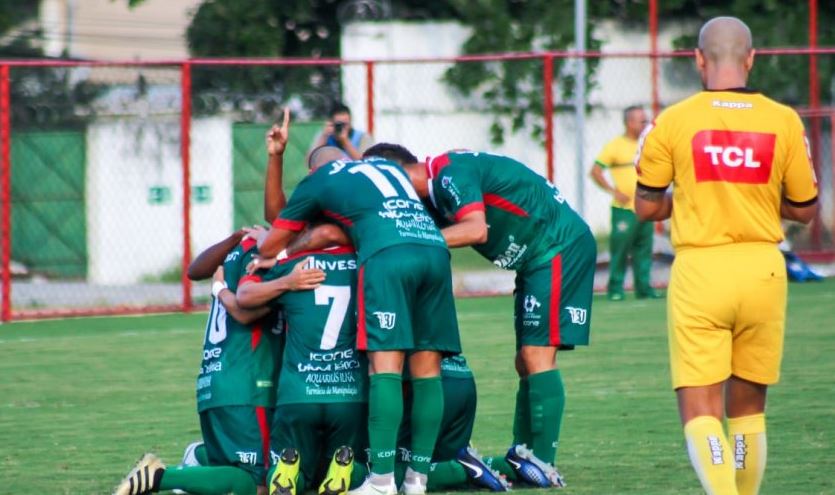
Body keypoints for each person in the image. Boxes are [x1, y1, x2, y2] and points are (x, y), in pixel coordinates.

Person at [633, 16, 818, 495]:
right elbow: (804, 208)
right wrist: (750, 191)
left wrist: (696, 192)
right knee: (749, 411)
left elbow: (646, 206)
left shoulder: (672, 121)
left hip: (701, 271)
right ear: (751, 59)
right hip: (763, 270)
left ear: (698, 59)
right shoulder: (784, 120)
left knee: (701, 413)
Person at [363, 144, 597, 487]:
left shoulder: (448, 175)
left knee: (537, 355)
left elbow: (476, 229)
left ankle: (543, 462)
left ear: (395, 173)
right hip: (536, 259)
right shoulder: (432, 193)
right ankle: (524, 453)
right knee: (525, 360)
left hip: (558, 246)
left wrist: (416, 241)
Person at [255, 148, 461, 495]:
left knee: (385, 368)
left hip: (388, 256)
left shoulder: (319, 180)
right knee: (428, 371)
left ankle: (381, 481)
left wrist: (277, 254)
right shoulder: (382, 167)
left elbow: (276, 242)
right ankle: (416, 481)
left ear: (311, 171)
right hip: (435, 251)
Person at [113, 229, 322, 495]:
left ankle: (202, 457)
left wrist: (233, 242)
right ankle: (160, 477)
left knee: (241, 473)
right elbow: (245, 311)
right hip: (248, 384)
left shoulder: (244, 249)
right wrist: (226, 288)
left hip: (216, 380)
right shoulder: (271, 258)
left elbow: (195, 270)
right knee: (260, 484)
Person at [237, 245, 367, 495]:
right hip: (350, 394)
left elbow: (246, 298)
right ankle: (344, 470)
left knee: (290, 468)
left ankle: (287, 473)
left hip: (299, 393)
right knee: (365, 467)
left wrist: (282, 274)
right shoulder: (363, 260)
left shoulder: (294, 265)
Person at [590, 105, 659, 300]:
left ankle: (644, 289)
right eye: (642, 121)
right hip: (623, 210)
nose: (646, 124)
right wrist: (614, 191)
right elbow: (596, 171)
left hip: (646, 207)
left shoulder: (648, 144)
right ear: (629, 123)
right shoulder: (615, 146)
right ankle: (615, 290)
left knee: (644, 251)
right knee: (619, 251)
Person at [310, 103, 374, 160]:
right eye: (338, 124)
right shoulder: (325, 137)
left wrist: (345, 142)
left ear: (350, 121)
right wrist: (323, 137)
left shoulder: (363, 137)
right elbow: (309, 162)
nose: (342, 128)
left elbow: (365, 163)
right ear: (331, 123)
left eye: (345, 124)